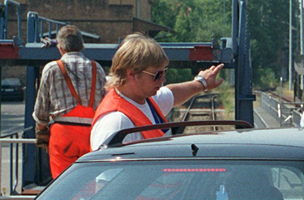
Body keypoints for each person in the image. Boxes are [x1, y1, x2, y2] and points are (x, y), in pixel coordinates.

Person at [90, 34, 224, 150]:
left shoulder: (144, 100)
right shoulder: (116, 122)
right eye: (157, 74)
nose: (163, 79)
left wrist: (201, 83)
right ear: (133, 75)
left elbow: (172, 94)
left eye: (164, 72)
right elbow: (105, 177)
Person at [34, 25, 107, 178]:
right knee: (89, 182)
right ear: (81, 46)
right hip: (91, 133)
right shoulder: (97, 68)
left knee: (63, 184)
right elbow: (105, 104)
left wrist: (41, 131)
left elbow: (41, 111)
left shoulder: (52, 68)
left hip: (63, 134)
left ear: (60, 47)